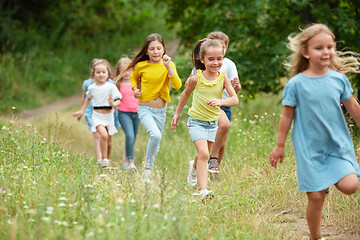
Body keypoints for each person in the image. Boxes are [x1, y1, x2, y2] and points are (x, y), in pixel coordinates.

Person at [269, 23, 360, 240]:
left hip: (337, 146)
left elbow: (354, 107)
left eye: (330, 46)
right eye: (319, 48)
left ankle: (326, 179)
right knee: (317, 197)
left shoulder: (339, 79)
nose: (326, 52)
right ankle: (315, 237)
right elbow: (287, 115)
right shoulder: (296, 84)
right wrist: (279, 145)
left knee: (350, 186)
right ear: (306, 52)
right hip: (310, 149)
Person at [171, 38, 238, 198]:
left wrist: (220, 101)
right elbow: (185, 94)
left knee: (202, 154)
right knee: (204, 155)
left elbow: (234, 99)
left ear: (223, 58)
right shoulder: (196, 78)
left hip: (212, 123)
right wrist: (177, 113)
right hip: (196, 122)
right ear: (202, 60)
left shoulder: (223, 78)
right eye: (211, 59)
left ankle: (193, 170)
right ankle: (203, 191)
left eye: (219, 59)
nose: (216, 63)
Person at [122, 33, 182, 182]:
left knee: (157, 140)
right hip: (145, 109)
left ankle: (149, 169)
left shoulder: (169, 65)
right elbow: (133, 77)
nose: (155, 52)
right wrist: (135, 89)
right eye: (152, 49)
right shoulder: (142, 66)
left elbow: (177, 85)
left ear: (164, 50)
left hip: (161, 111)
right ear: (147, 51)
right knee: (155, 135)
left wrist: (168, 66)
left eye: (158, 48)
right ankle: (147, 171)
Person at [189, 31, 241, 173]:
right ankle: (211, 161)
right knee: (222, 127)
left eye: (223, 47)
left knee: (220, 144)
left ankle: (209, 168)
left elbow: (236, 89)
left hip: (225, 104)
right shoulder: (202, 64)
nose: (219, 48)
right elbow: (191, 84)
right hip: (207, 106)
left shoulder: (228, 64)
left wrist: (236, 86)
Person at [73, 59, 122, 168]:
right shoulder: (92, 88)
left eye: (103, 72)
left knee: (109, 142)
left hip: (109, 116)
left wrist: (113, 104)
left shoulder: (111, 86)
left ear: (108, 73)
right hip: (97, 115)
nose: (101, 74)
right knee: (103, 135)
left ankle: (107, 159)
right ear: (93, 74)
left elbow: (119, 100)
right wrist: (81, 110)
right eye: (98, 72)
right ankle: (103, 159)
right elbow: (87, 99)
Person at [115, 57, 140, 170]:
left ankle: (126, 156)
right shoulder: (118, 84)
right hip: (124, 113)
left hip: (137, 113)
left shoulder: (136, 83)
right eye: (123, 71)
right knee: (129, 135)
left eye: (128, 70)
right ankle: (131, 161)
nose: (126, 73)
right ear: (119, 72)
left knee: (133, 138)